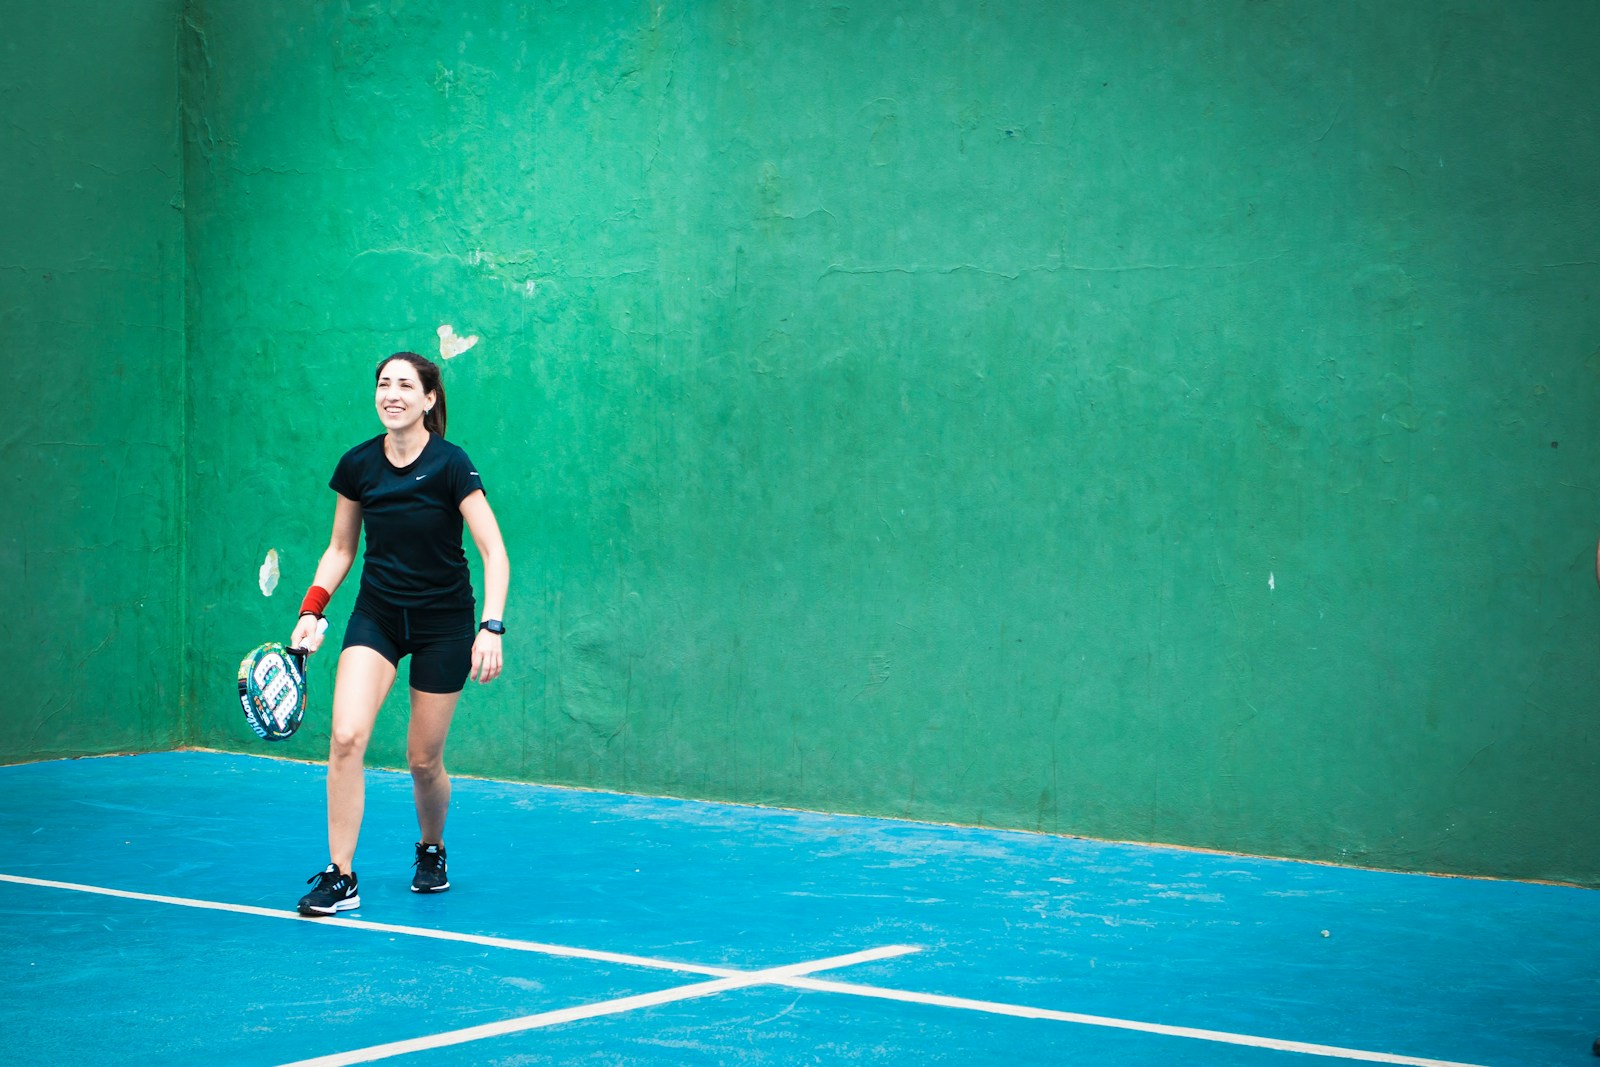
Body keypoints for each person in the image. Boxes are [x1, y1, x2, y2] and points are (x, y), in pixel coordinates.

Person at [288, 351, 509, 916]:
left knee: (422, 761)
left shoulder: (452, 465)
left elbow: (494, 552)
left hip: (445, 624)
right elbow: (341, 549)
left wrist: (492, 626)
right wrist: (312, 610)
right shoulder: (358, 465)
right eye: (384, 384)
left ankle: (431, 848)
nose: (392, 394)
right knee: (345, 738)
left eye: (406, 386)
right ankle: (341, 876)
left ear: (429, 400)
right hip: (378, 616)